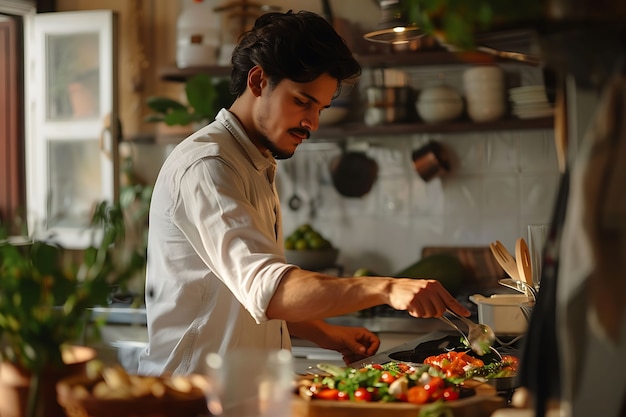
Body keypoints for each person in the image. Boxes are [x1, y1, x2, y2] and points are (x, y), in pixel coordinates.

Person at [137, 10, 470, 376]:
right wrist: (387, 288)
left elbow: (248, 295)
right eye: (302, 101)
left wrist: (326, 334)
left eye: (321, 108)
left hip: (243, 394)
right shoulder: (209, 165)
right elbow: (271, 290)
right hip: (192, 400)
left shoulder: (254, 161)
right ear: (259, 80)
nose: (312, 123)